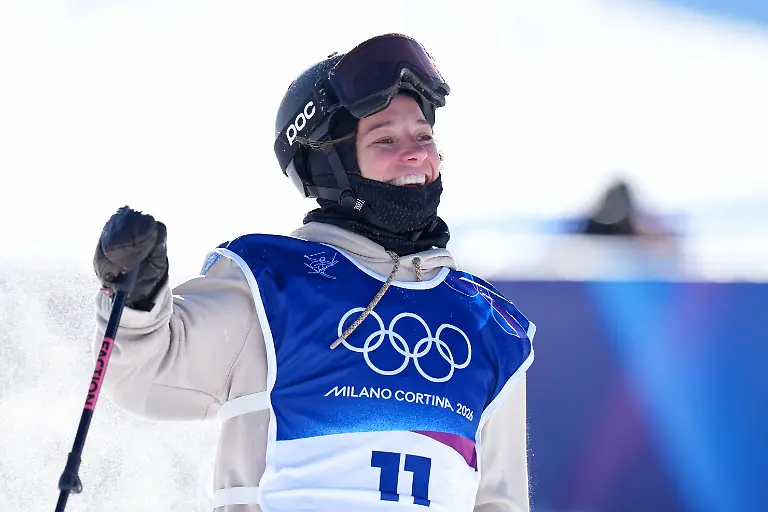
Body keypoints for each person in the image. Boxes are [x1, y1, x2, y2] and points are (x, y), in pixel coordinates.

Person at [93, 33, 536, 512]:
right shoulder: (272, 287)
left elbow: (501, 502)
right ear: (333, 165)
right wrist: (135, 295)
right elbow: (143, 377)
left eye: (424, 135)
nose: (415, 154)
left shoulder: (489, 325)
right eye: (385, 138)